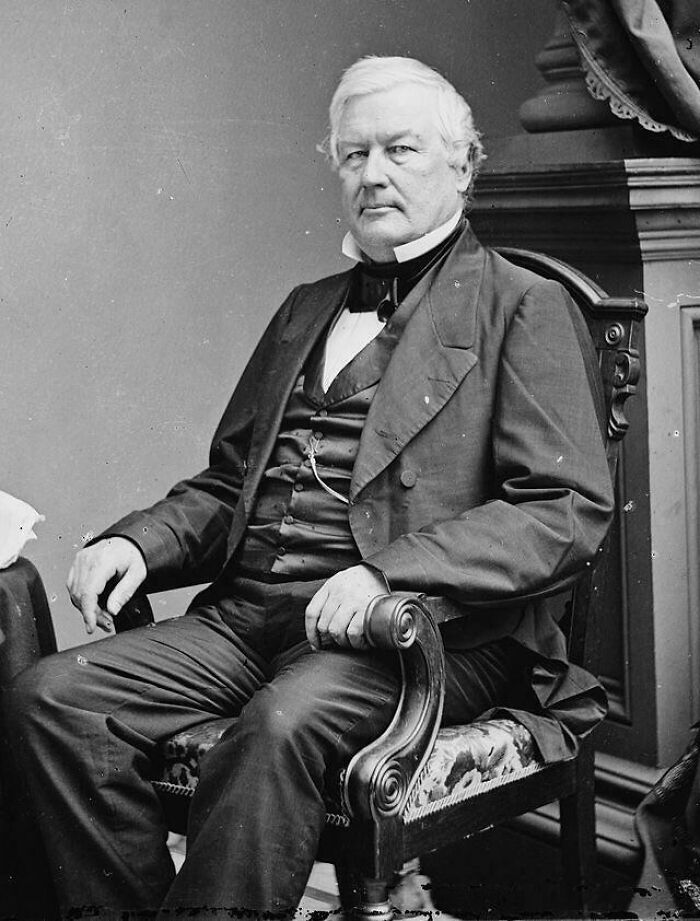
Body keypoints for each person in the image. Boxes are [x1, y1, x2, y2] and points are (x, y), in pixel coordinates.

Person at [7, 55, 613, 918]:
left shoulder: (522, 305)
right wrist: (136, 539)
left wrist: (389, 575)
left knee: (278, 728)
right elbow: (230, 483)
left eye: (400, 150)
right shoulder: (306, 306)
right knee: (51, 699)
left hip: (417, 641)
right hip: (250, 618)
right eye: (353, 155)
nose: (372, 175)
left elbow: (563, 513)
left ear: (464, 165)